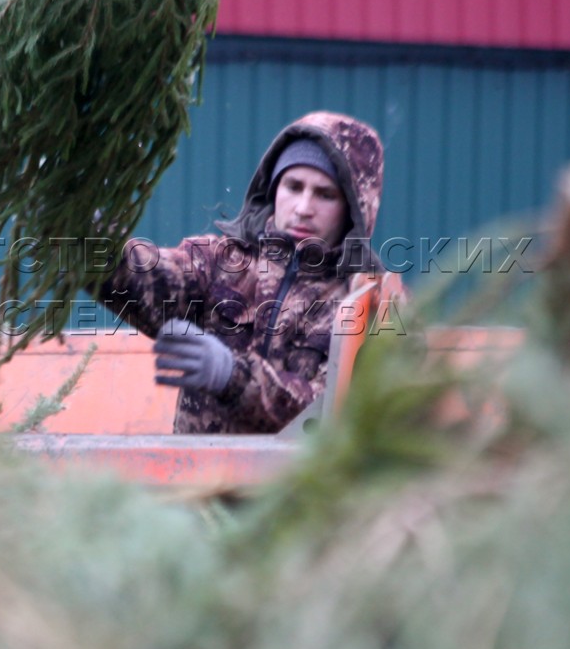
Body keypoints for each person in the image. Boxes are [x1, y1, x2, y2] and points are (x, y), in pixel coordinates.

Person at [95, 111, 387, 434]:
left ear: (353, 209)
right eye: (293, 186)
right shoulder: (221, 262)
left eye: (325, 194)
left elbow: (326, 415)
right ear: (274, 189)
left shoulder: (373, 304)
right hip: (194, 467)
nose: (303, 208)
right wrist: (89, 235)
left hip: (298, 469)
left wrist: (230, 375)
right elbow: (147, 280)